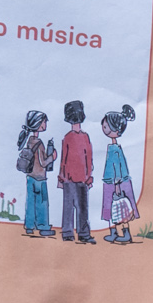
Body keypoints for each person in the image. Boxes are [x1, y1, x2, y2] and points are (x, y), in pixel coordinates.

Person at [98, 104, 139, 244]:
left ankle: (124, 233)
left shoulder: (114, 149)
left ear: (116, 129)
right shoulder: (113, 147)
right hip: (113, 182)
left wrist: (116, 184)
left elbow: (117, 167)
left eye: (106, 127)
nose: (104, 129)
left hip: (116, 183)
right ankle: (115, 232)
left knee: (120, 209)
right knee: (113, 209)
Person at [57, 100, 95, 245]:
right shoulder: (74, 137)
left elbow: (87, 159)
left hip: (75, 179)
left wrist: (88, 177)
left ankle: (75, 233)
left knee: (79, 207)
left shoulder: (77, 137)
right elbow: (66, 159)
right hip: (73, 179)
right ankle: (74, 233)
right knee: (75, 207)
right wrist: (62, 178)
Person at [16, 111, 52, 238]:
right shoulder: (39, 143)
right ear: (39, 125)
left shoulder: (30, 141)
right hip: (40, 178)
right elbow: (43, 162)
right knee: (42, 202)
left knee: (30, 202)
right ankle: (43, 226)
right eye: (44, 122)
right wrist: (52, 157)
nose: (45, 124)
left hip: (30, 177)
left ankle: (30, 226)